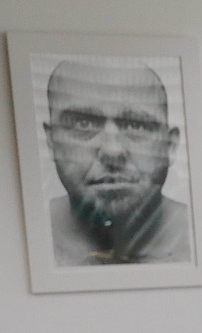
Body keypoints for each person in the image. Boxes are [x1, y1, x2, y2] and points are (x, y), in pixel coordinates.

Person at [43, 59, 192, 266]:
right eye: (83, 123)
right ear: (51, 142)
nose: (112, 151)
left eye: (136, 125)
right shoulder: (19, 237)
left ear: (170, 145)